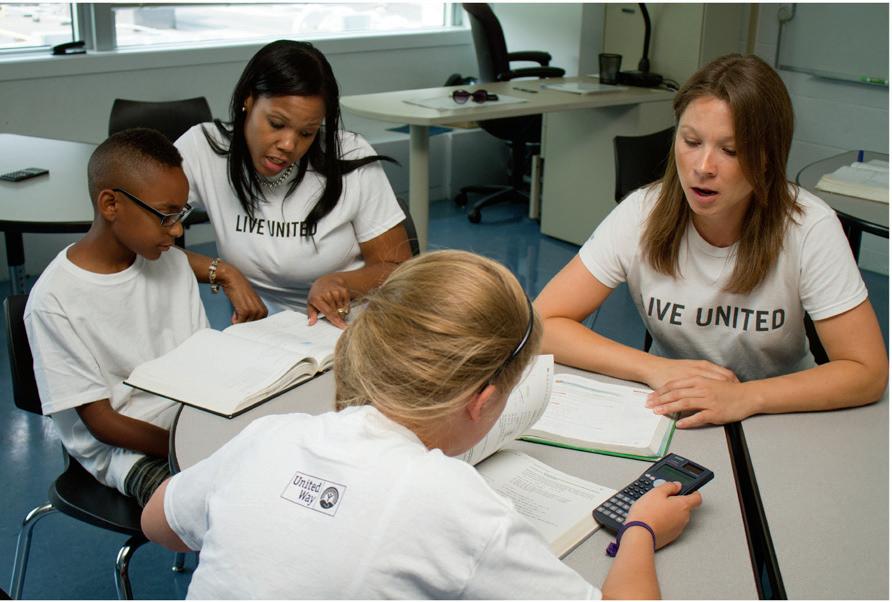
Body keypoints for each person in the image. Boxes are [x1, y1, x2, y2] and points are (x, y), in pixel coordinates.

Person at [142, 250, 701, 599]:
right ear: (483, 402)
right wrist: (641, 530)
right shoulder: (453, 503)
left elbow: (157, 520)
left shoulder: (273, 435)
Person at [535, 54, 888, 429]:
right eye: (691, 141)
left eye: (730, 150)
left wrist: (746, 397)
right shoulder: (640, 214)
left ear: (767, 157)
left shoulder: (809, 227)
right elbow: (542, 325)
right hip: (675, 409)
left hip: (782, 414)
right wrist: (655, 368)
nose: (703, 167)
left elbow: (866, 371)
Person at [25, 128, 208, 506]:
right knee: (209, 507)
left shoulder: (172, 265)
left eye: (181, 214)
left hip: (190, 426)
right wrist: (190, 447)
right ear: (111, 205)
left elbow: (201, 365)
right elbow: (104, 425)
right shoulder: (54, 300)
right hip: (126, 453)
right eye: (166, 216)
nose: (177, 230)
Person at [176, 39, 411, 327]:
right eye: (276, 124)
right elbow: (137, 232)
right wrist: (221, 271)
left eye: (307, 133)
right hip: (264, 329)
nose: (288, 145)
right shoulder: (203, 148)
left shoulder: (349, 154)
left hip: (347, 325)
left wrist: (341, 282)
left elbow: (398, 268)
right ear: (248, 100)